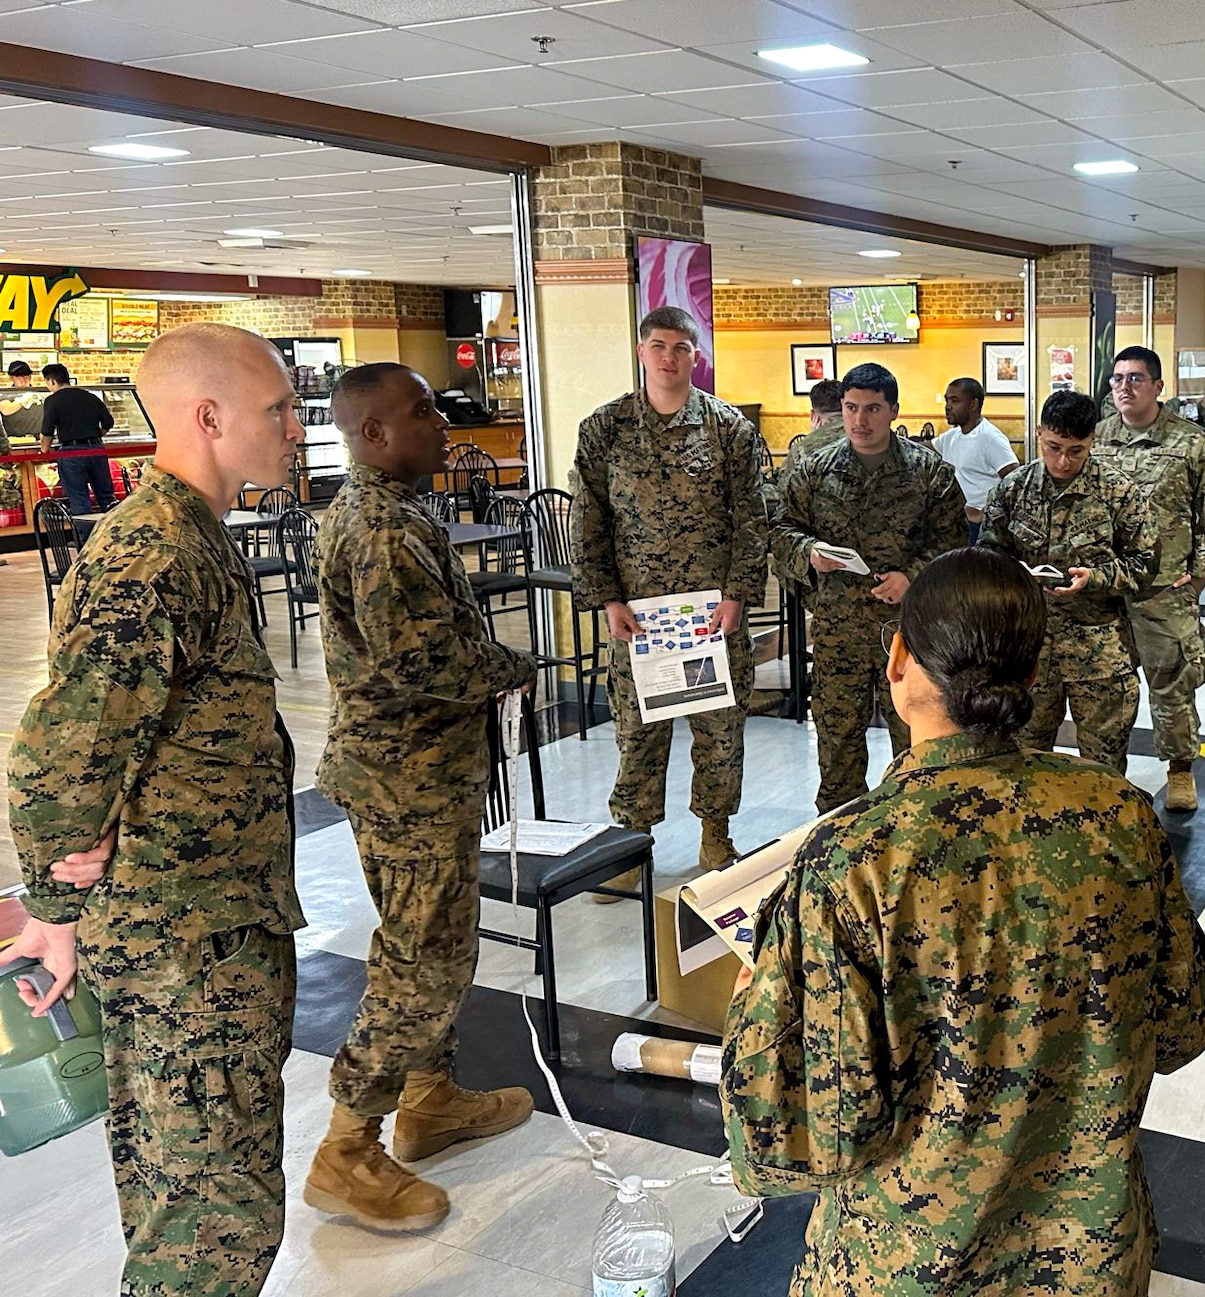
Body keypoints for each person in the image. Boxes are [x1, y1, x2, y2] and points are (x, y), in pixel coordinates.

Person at [721, 547, 1205, 1296]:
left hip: (907, 1270)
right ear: (1031, 674)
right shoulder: (1117, 813)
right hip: (1089, 1263)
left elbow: (788, 1139)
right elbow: (1188, 1022)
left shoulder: (853, 862)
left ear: (897, 659)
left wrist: (754, 1002)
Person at [7, 322, 307, 1295]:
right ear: (208, 416)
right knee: (210, 1219)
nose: (298, 428)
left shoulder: (187, 536)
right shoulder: (154, 552)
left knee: (193, 1195)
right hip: (187, 947)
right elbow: (61, 752)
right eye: (280, 409)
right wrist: (53, 904)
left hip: (206, 920)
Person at [303, 362, 540, 1231]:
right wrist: (518, 667)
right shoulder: (380, 529)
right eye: (423, 412)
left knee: (429, 942)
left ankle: (429, 1097)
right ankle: (348, 1146)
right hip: (407, 781)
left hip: (416, 775)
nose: (444, 424)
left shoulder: (391, 513)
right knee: (420, 962)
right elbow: (423, 661)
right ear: (372, 433)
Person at [571, 305, 769, 882]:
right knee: (637, 733)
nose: (669, 357)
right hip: (640, 617)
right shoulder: (604, 429)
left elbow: (753, 518)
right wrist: (607, 599)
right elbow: (589, 520)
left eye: (681, 348)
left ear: (695, 355)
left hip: (713, 616)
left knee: (720, 731)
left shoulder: (727, 429)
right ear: (640, 351)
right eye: (658, 346)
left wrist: (737, 595)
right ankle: (631, 847)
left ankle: (716, 836)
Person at [773, 363, 967, 811]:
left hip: (910, 635)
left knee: (917, 743)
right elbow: (781, 530)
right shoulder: (815, 470)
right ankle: (839, 835)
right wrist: (808, 553)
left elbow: (953, 543)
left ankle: (914, 830)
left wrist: (912, 576)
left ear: (893, 410)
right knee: (838, 745)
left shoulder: (927, 472)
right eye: (851, 408)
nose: (860, 420)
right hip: (839, 634)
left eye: (873, 409)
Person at [980, 389, 1154, 772]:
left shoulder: (1118, 492)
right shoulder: (1013, 489)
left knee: (1103, 765)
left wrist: (1097, 577)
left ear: (1092, 440)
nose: (1062, 460)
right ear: (1039, 433)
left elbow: (1145, 566)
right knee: (1025, 758)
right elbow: (988, 555)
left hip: (1099, 653)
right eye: (1053, 446)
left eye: (1075, 450)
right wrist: (1014, 577)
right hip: (1028, 648)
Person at [1094, 345, 1205, 812]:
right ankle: (1109, 775)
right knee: (1108, 687)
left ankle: (1180, 769)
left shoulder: (1190, 443)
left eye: (1135, 378)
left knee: (1172, 683)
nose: (1124, 387)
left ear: (1158, 386)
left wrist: (1200, 577)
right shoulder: (1097, 438)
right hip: (1106, 584)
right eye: (1117, 379)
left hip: (1164, 585)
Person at [937, 375, 1019, 542]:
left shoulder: (990, 438)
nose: (948, 407)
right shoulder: (952, 436)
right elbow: (922, 447)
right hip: (957, 521)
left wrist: (987, 513)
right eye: (947, 400)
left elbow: (1017, 482)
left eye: (954, 401)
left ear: (973, 404)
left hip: (981, 526)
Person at [39, 362, 119, 513]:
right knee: (107, 498)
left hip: (72, 453)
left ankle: (86, 536)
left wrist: (44, 450)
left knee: (79, 499)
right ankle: (113, 534)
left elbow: (47, 431)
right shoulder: (89, 396)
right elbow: (109, 422)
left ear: (52, 381)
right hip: (96, 450)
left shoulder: (53, 400)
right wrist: (96, 435)